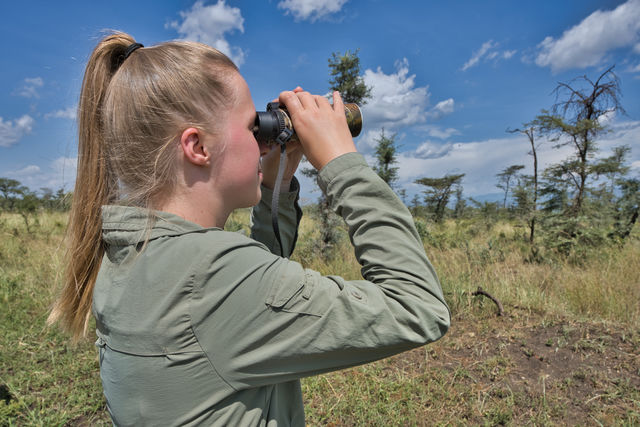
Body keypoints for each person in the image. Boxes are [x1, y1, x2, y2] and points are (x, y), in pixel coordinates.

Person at [48, 31, 450, 426]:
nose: (262, 142)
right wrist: (340, 159)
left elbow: (246, 309)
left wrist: (276, 184)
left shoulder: (131, 253)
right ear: (198, 147)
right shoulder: (212, 276)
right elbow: (417, 306)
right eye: (250, 126)